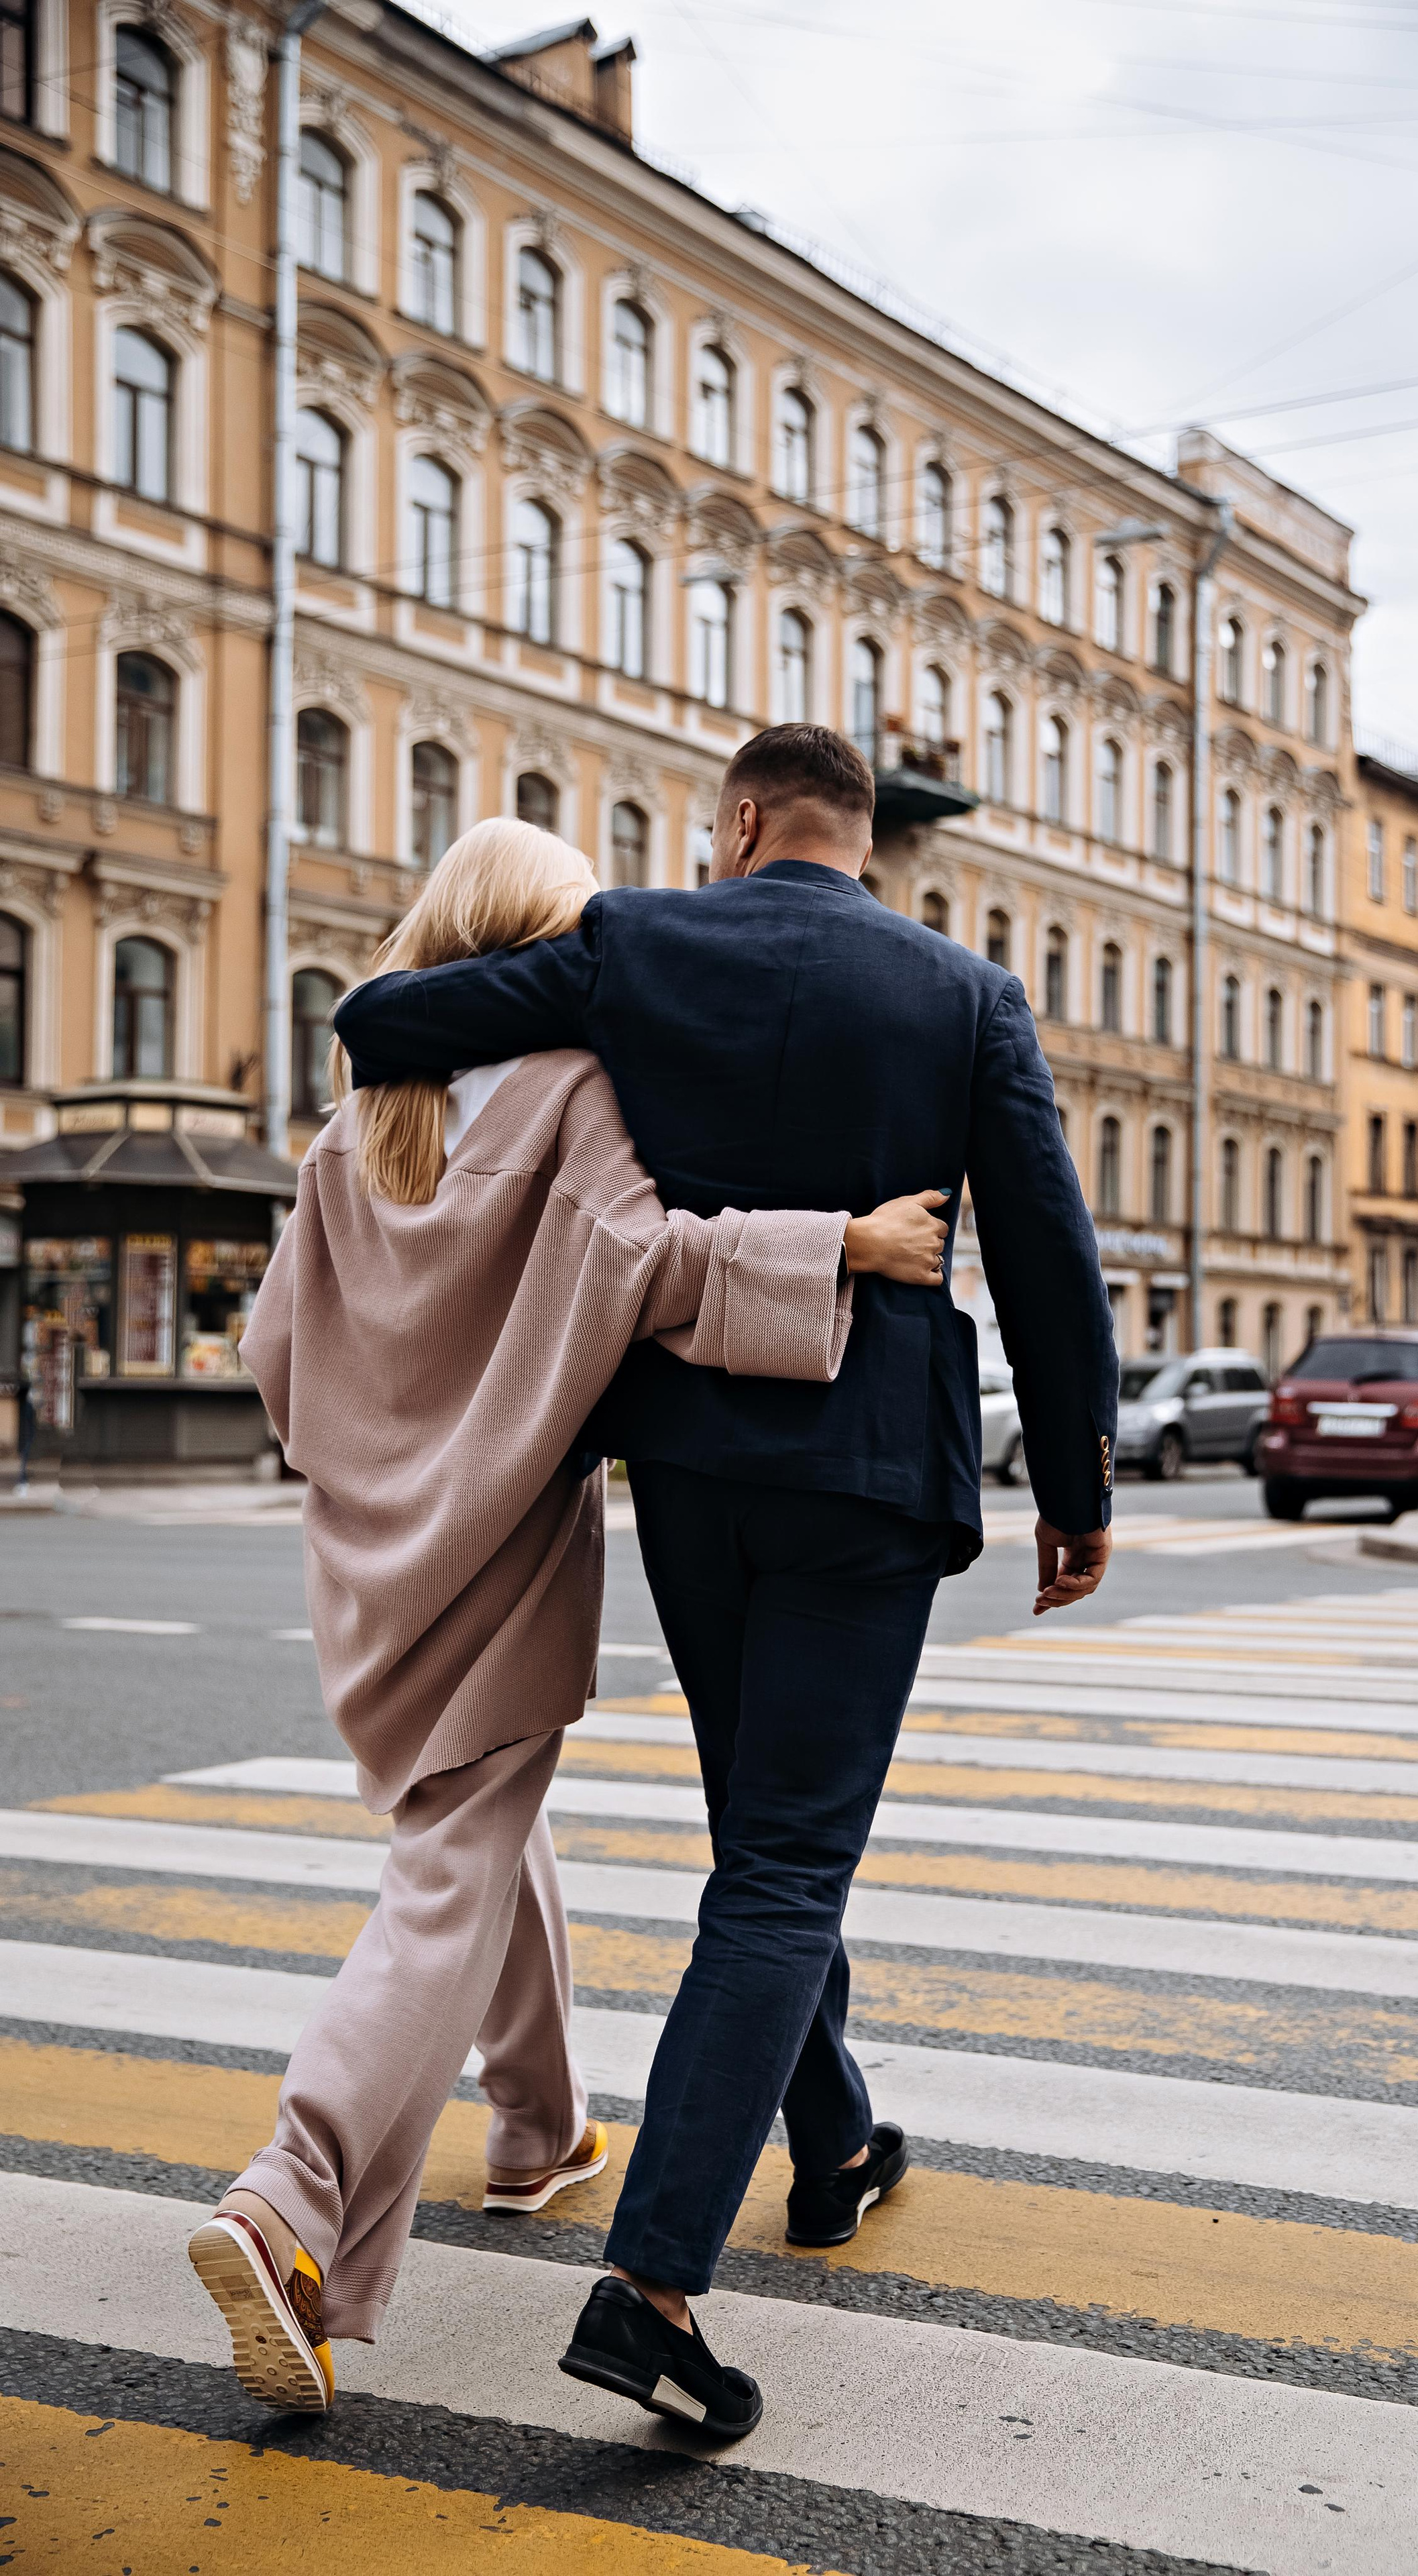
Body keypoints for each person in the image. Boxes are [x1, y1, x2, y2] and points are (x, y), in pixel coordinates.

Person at [333, 725, 1117, 2440]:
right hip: (869, 1471)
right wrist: (1076, 1487)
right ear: (855, 836)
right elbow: (1047, 1251)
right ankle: (652, 2288)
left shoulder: (633, 944)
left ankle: (831, 2140)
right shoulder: (965, 994)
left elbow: (379, 1024)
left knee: (760, 1834)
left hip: (688, 1464)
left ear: (742, 823)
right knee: (784, 1859)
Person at [187, 816, 949, 2416]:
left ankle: (538, 2130)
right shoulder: (565, 1094)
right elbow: (650, 1268)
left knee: (478, 1809)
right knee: (451, 1861)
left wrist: (369, 1458)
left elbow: (274, 1349)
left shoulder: (356, 1125)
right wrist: (848, 1245)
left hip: (360, 1540)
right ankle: (292, 2193)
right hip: (500, 1535)